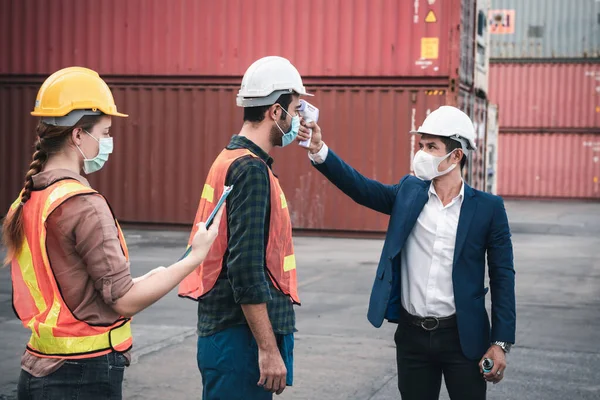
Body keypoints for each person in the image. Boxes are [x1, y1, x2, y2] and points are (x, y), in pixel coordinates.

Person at [2, 66, 223, 400]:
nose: (107, 142)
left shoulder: (27, 200)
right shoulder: (84, 205)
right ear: (78, 135)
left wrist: (150, 277)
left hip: (36, 370)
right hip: (82, 377)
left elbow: (73, 287)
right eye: (104, 132)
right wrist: (194, 257)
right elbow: (124, 301)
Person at [297, 106, 516, 400]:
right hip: (413, 338)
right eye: (421, 145)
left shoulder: (488, 208)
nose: (422, 154)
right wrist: (320, 151)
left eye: (431, 147)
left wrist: (500, 343)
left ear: (456, 156)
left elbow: (503, 277)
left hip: (463, 339)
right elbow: (361, 188)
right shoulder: (408, 191)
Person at [178, 56, 312, 399]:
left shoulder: (229, 158)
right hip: (240, 341)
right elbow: (245, 268)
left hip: (225, 335)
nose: (297, 120)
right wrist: (267, 349)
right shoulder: (251, 171)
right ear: (275, 112)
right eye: (294, 110)